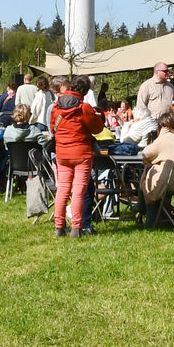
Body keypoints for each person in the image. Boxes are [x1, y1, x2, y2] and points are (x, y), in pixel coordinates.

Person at [50, 76, 103, 238]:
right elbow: (97, 129)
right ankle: (76, 228)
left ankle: (59, 227)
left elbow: (53, 129)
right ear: (86, 91)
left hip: (62, 153)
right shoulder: (84, 107)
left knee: (63, 190)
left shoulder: (56, 106)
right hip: (81, 153)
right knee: (79, 191)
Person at [141, 106, 174, 210]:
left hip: (171, 183)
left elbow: (145, 154)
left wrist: (160, 137)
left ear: (162, 127)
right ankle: (161, 212)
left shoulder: (163, 139)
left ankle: (148, 214)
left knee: (146, 174)